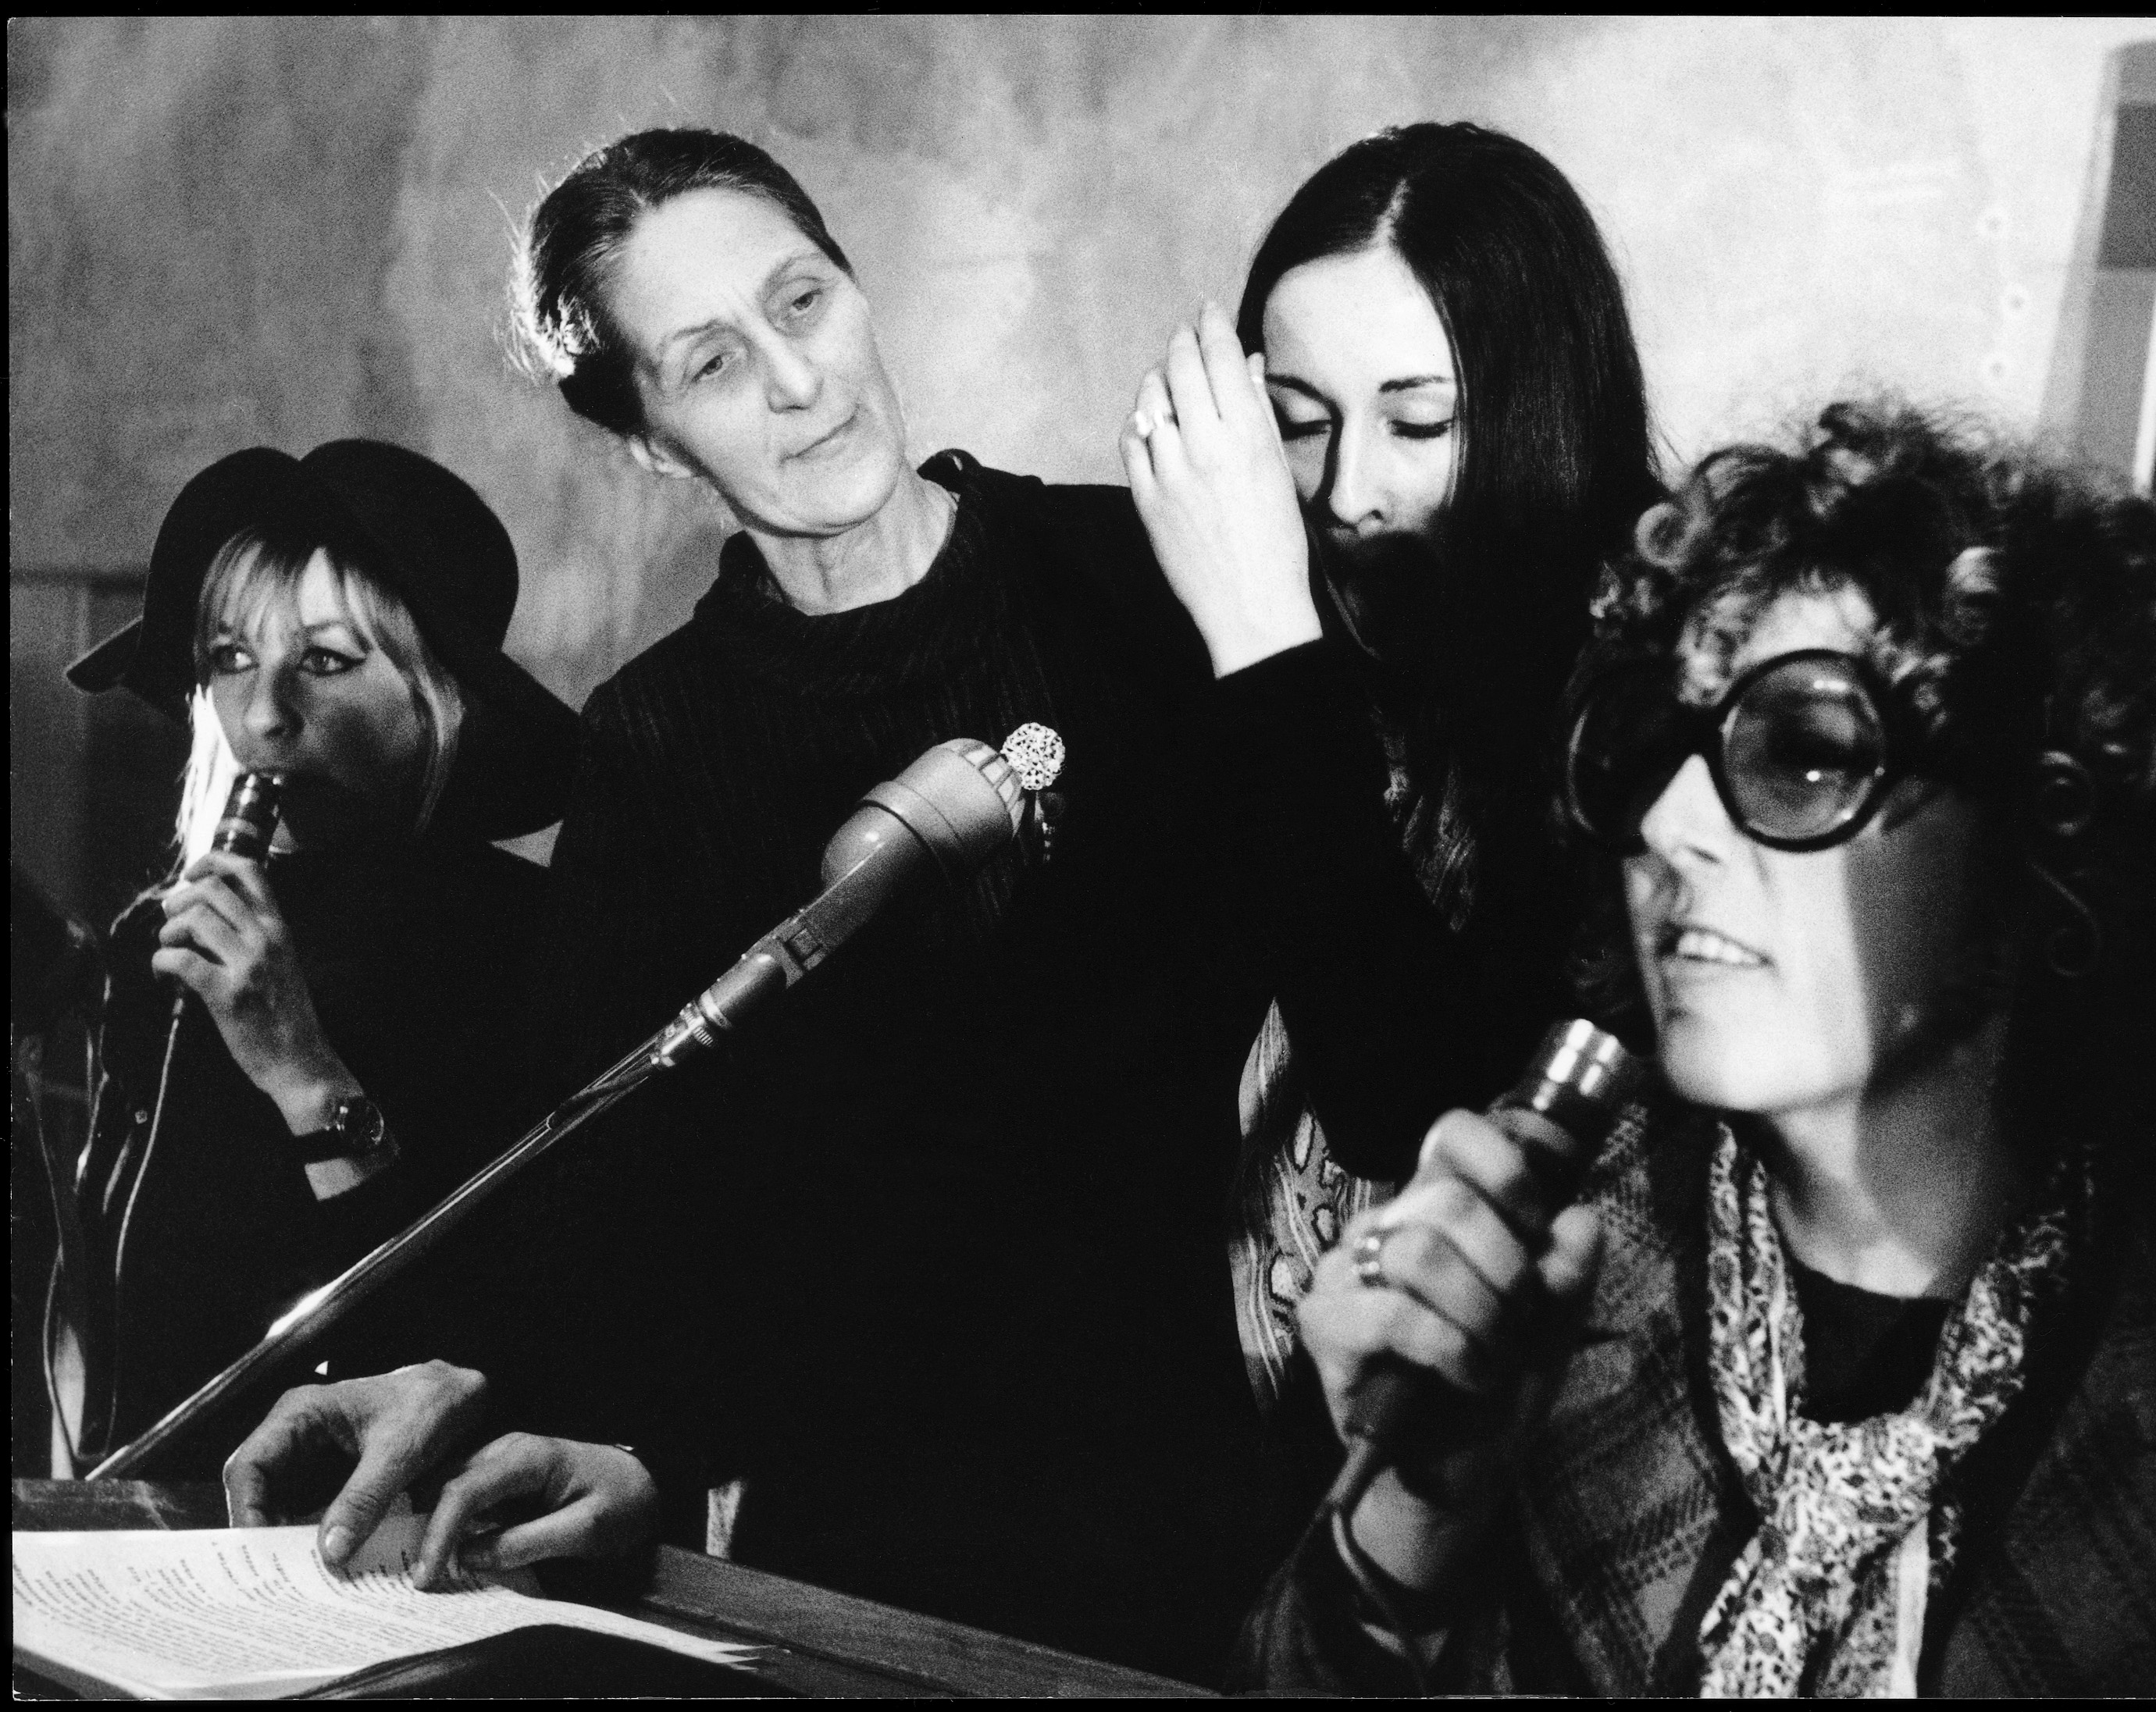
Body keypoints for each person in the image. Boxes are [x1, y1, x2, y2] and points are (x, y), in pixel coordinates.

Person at [220, 128, 1488, 1685]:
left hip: (1220, 1522)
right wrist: (577, 1419)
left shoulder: (1146, 573)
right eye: (708, 359)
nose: (798, 379)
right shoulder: (657, 741)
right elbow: (627, 1235)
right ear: (646, 436)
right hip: (858, 1565)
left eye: (802, 301)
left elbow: (1398, 1069)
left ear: (859, 290)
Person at [1234, 399, 2156, 1696]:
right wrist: (1420, 1500)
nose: (1671, 823)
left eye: (1803, 750)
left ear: (2041, 831)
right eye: (1656, 748)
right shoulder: (1569, 1254)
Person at [1121, 123, 1659, 1426]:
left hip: (1522, 1433)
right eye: (1299, 426)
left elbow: (1415, 1101)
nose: (1348, 489)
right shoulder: (1305, 620)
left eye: (1420, 420)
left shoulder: (1648, 678)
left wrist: (1260, 638)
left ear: (1541, 402)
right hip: (1269, 1433)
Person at [55, 441, 579, 1478]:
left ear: (444, 700)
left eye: (327, 661)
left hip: (357, 1549)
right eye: (230, 655)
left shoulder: (533, 944)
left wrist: (301, 1068)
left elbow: (487, 1351)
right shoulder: (152, 944)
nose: (264, 714)